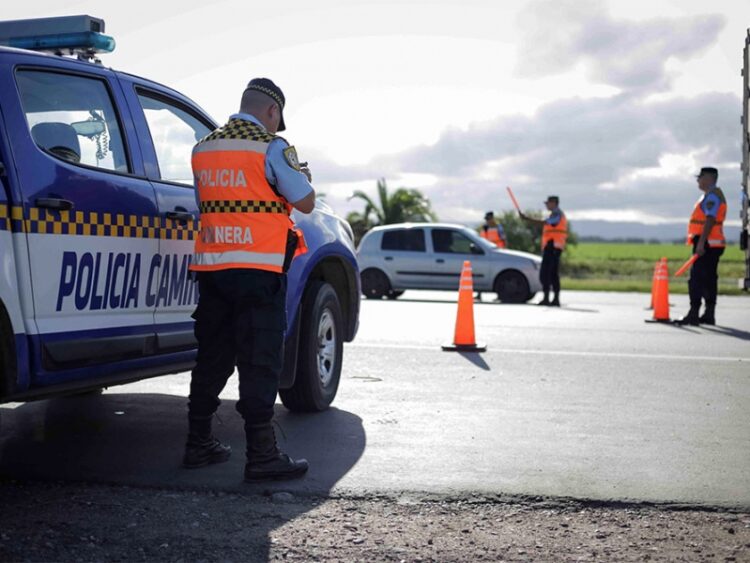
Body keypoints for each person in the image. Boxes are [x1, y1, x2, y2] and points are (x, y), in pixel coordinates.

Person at [184, 78, 316, 482]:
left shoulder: (202, 148)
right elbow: (306, 202)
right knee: (260, 359)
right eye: (277, 120)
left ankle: (198, 443)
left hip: (213, 268)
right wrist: (301, 174)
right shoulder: (271, 147)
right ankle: (262, 455)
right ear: (272, 112)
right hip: (258, 270)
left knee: (212, 356)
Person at [675, 167, 727, 326]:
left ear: (708, 178)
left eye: (700, 177)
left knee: (696, 279)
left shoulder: (712, 197)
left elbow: (710, 219)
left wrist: (701, 242)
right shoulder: (713, 195)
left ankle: (694, 314)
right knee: (709, 280)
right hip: (712, 243)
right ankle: (708, 314)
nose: (698, 181)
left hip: (707, 244)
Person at [520, 196, 568, 306]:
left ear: (554, 203)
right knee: (546, 274)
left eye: (548, 203)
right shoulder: (554, 214)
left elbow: (545, 223)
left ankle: (554, 299)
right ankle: (547, 298)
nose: (546, 205)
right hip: (550, 246)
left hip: (554, 247)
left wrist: (527, 219)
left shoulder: (557, 214)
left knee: (551, 273)